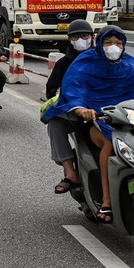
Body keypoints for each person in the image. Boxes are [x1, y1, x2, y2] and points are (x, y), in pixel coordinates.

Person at [41, 26, 134, 223]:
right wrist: (81, 109)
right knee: (110, 146)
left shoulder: (132, 66)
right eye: (108, 42)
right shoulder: (84, 63)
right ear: (99, 43)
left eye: (118, 43)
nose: (113, 47)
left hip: (130, 119)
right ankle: (106, 201)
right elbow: (74, 90)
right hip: (101, 120)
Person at [44, 19, 94, 194]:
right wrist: (60, 96)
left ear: (93, 37)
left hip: (105, 113)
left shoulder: (103, 60)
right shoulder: (64, 64)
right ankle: (71, 173)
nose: (80, 39)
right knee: (54, 123)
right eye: (75, 36)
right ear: (69, 40)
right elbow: (51, 90)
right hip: (76, 113)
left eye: (84, 35)